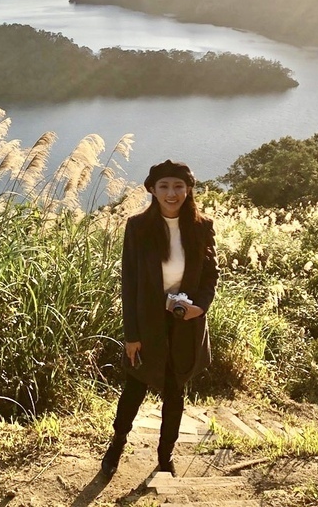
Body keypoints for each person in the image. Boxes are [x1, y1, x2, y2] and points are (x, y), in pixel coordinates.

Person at [101, 160, 218, 476]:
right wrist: (132, 334)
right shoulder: (138, 227)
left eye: (179, 186)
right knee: (135, 387)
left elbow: (210, 276)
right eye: (164, 186)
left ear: (189, 189)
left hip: (185, 322)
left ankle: (165, 457)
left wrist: (201, 307)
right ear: (152, 189)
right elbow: (130, 282)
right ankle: (117, 443)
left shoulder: (202, 226)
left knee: (175, 391)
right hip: (147, 322)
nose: (172, 193)